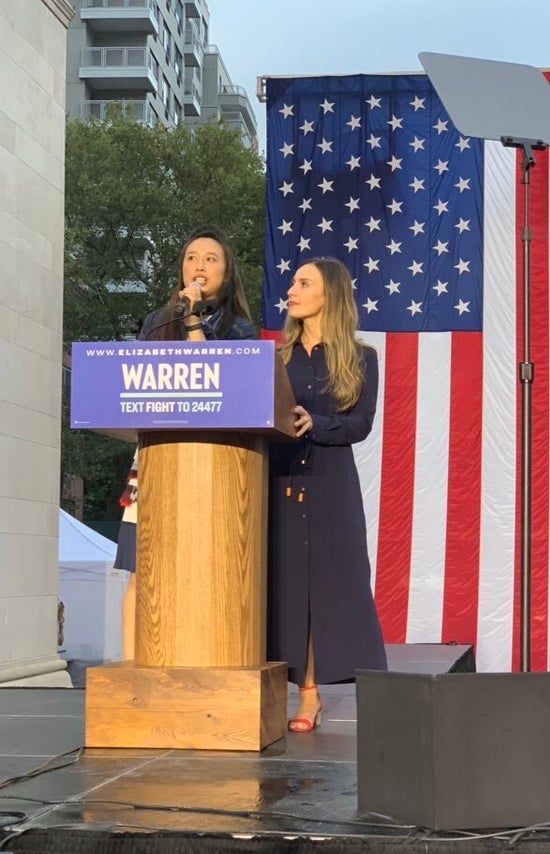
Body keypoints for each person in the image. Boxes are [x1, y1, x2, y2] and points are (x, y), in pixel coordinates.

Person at [113, 225, 257, 659]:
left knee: (203, 567)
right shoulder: (158, 322)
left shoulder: (240, 330)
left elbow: (223, 381)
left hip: (214, 464)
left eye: (211, 259)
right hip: (156, 459)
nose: (200, 266)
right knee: (142, 571)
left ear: (227, 274)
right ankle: (134, 665)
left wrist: (194, 319)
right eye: (192, 257)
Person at [268, 257, 387, 733]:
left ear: (329, 295)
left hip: (331, 482)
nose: (292, 289)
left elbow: (360, 424)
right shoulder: (277, 358)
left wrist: (316, 423)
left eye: (303, 283)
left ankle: (311, 694)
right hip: (278, 479)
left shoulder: (362, 358)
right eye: (293, 282)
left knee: (331, 587)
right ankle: (289, 686)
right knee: (283, 586)